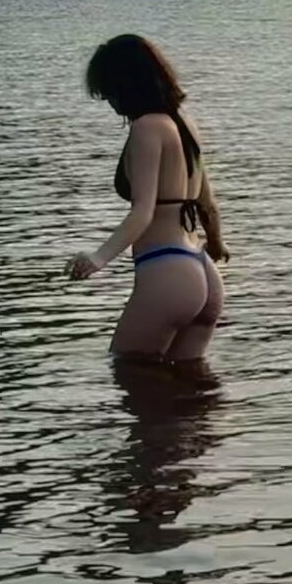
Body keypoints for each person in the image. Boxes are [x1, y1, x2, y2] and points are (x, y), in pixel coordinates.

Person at [68, 34, 229, 360]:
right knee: (190, 383)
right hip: (203, 271)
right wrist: (216, 244)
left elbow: (143, 211)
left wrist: (98, 258)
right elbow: (207, 204)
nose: (110, 102)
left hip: (166, 271)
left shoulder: (147, 128)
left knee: (127, 369)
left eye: (108, 92)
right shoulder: (185, 123)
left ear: (125, 85)